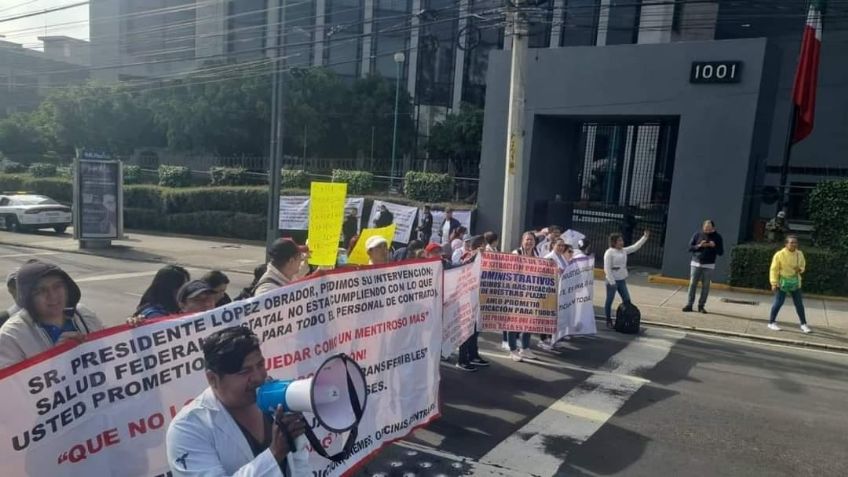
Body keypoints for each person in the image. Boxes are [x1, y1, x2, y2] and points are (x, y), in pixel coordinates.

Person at [166, 326, 310, 476]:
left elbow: (299, 462)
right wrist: (274, 454)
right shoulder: (188, 427)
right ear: (213, 379)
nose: (258, 377)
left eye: (260, 365)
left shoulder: (273, 400)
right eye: (244, 371)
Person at [0, 261, 103, 369]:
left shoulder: (84, 314)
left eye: (57, 286)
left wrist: (121, 337)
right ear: (28, 298)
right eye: (41, 291)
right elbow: (10, 383)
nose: (52, 296)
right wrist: (54, 357)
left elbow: (109, 350)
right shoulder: (12, 336)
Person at [456, 235, 490, 371]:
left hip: (478, 298)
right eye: (482, 245)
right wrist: (476, 254)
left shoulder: (483, 257)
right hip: (467, 299)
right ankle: (462, 360)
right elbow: (464, 270)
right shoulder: (468, 256)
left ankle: (473, 355)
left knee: (475, 330)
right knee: (466, 330)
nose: (484, 248)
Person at [505, 231, 540, 361]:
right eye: (527, 240)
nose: (529, 242)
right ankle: (513, 350)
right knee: (514, 322)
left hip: (531, 293)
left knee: (529, 322)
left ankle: (525, 348)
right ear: (522, 241)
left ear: (535, 242)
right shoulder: (516, 253)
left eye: (531, 240)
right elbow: (511, 271)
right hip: (516, 293)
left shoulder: (537, 255)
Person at [603, 231, 649, 327]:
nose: (622, 242)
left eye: (622, 240)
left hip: (621, 280)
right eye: (619, 240)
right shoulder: (609, 253)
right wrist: (612, 282)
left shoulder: (623, 250)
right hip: (612, 281)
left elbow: (635, 247)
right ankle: (608, 320)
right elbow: (607, 269)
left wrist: (644, 237)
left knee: (627, 300)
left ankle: (625, 319)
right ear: (614, 242)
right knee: (609, 301)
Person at [767, 236, 811, 333]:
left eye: (795, 242)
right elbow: (774, 269)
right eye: (791, 242)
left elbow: (803, 265)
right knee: (779, 302)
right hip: (782, 282)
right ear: (786, 244)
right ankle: (771, 322)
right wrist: (774, 283)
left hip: (795, 282)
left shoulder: (799, 254)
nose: (793, 244)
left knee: (799, 304)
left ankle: (803, 324)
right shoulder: (779, 254)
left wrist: (800, 269)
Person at [683, 220, 724, 313]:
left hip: (709, 265)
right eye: (705, 228)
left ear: (713, 228)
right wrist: (699, 245)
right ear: (703, 227)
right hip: (696, 263)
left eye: (709, 229)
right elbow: (690, 247)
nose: (707, 231)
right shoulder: (697, 234)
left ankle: (701, 306)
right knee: (692, 284)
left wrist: (714, 246)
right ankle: (689, 304)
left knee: (706, 286)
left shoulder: (718, 237)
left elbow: (721, 252)